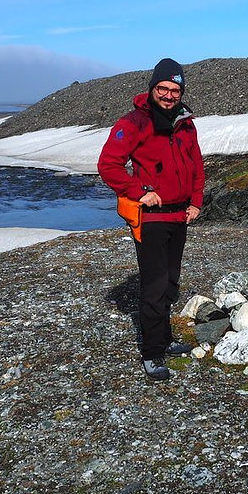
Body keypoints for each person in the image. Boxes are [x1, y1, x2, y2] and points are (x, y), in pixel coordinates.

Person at [98, 58, 205, 380]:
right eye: (163, 88)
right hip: (152, 218)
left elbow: (196, 165)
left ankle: (166, 339)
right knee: (155, 285)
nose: (169, 95)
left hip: (180, 214)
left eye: (175, 90)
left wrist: (196, 202)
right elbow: (108, 164)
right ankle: (153, 353)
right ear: (152, 88)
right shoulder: (133, 122)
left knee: (171, 280)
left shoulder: (186, 123)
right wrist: (138, 191)